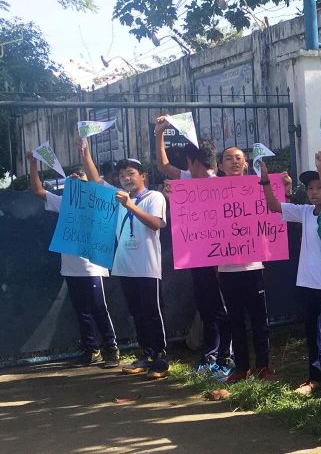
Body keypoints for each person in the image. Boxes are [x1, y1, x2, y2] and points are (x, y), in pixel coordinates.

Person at [262, 148, 321, 400]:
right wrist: (264, 177)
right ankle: (315, 379)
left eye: (319, 187)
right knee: (312, 334)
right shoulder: (305, 212)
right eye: (310, 188)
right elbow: (273, 205)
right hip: (307, 283)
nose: (314, 192)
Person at [26, 140, 120, 369]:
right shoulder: (65, 202)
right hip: (70, 266)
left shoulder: (98, 201)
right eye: (73, 177)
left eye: (81, 176)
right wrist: (33, 164)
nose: (77, 179)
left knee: (98, 308)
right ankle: (91, 350)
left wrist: (85, 160)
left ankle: (111, 348)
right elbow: (38, 190)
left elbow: (98, 184)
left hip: (92, 266)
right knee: (81, 310)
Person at [154, 116, 233, 379]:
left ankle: (226, 355)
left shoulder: (222, 185)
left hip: (218, 258)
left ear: (192, 161)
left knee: (220, 306)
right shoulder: (189, 181)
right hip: (197, 254)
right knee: (206, 305)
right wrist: (159, 134)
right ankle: (210, 354)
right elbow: (164, 167)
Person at [217, 146, 289, 384]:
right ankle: (241, 367)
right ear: (220, 166)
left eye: (238, 158)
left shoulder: (259, 187)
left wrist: (285, 188)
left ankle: (263, 366)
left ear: (246, 164)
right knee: (235, 320)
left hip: (253, 267)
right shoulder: (211, 191)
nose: (234, 162)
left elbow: (277, 208)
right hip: (226, 269)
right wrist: (173, 196)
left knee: (259, 319)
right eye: (229, 159)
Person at [102, 157, 170, 379]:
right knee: (137, 313)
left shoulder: (154, 197)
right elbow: (96, 181)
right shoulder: (120, 197)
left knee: (152, 312)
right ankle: (146, 354)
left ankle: (160, 358)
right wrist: (84, 153)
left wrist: (130, 206)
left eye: (130, 174)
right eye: (122, 176)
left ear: (143, 176)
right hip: (125, 266)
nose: (126, 179)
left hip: (146, 266)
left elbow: (156, 223)